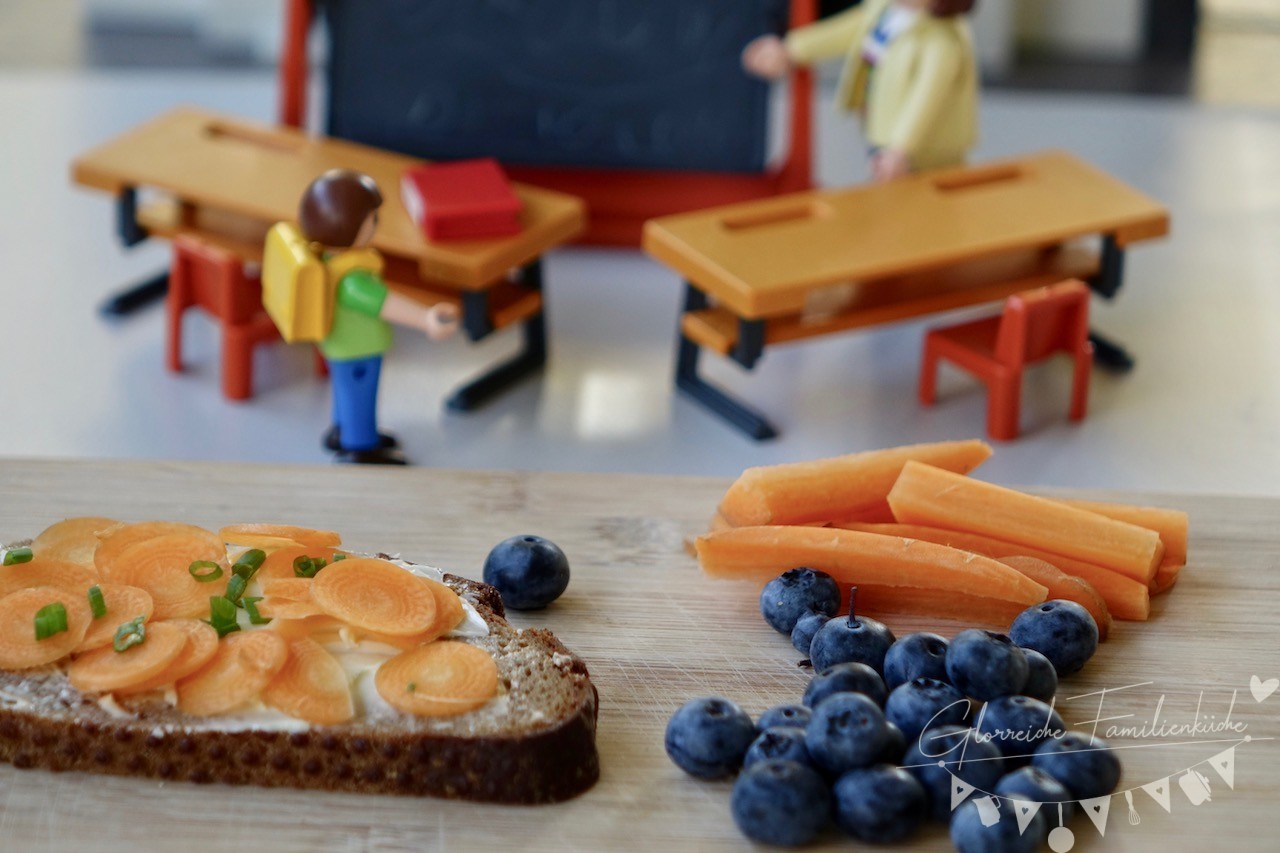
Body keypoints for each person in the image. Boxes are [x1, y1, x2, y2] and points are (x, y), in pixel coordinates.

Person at [297, 169, 459, 465]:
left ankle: (344, 430)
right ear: (349, 226)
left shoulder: (328, 259)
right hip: (358, 348)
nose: (376, 225)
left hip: (340, 344)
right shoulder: (353, 279)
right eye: (372, 219)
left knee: (345, 390)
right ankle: (360, 445)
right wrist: (426, 318)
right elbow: (384, 303)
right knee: (361, 395)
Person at [742, 0, 978, 182]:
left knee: (924, 209)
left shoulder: (941, 43)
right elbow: (849, 30)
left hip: (925, 151)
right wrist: (792, 48)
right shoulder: (887, 11)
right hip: (884, 130)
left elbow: (926, 100)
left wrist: (901, 150)